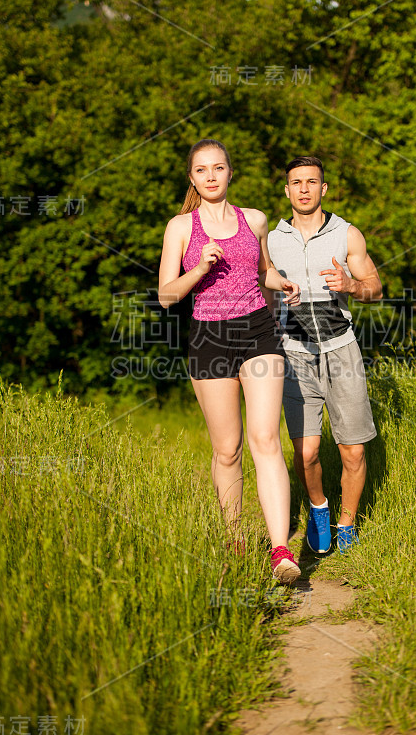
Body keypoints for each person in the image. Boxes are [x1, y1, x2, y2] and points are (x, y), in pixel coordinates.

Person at [158, 138, 302, 583]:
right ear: (193, 179)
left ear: (230, 172)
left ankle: (281, 550)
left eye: (218, 168)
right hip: (209, 336)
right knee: (228, 449)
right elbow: (166, 296)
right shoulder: (180, 227)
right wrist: (199, 268)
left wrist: (286, 284)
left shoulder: (254, 219)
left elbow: (261, 273)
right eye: (202, 171)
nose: (211, 176)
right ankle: (236, 539)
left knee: (266, 439)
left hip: (257, 330)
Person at [266, 156, 383, 554]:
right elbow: (260, 297)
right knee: (307, 450)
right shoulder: (271, 239)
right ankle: (318, 508)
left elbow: (375, 287)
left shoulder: (346, 233)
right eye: (296, 182)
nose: (303, 189)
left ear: (323, 188)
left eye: (311, 182)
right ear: (287, 190)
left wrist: (350, 284)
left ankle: (346, 525)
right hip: (294, 353)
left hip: (341, 351)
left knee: (353, 450)